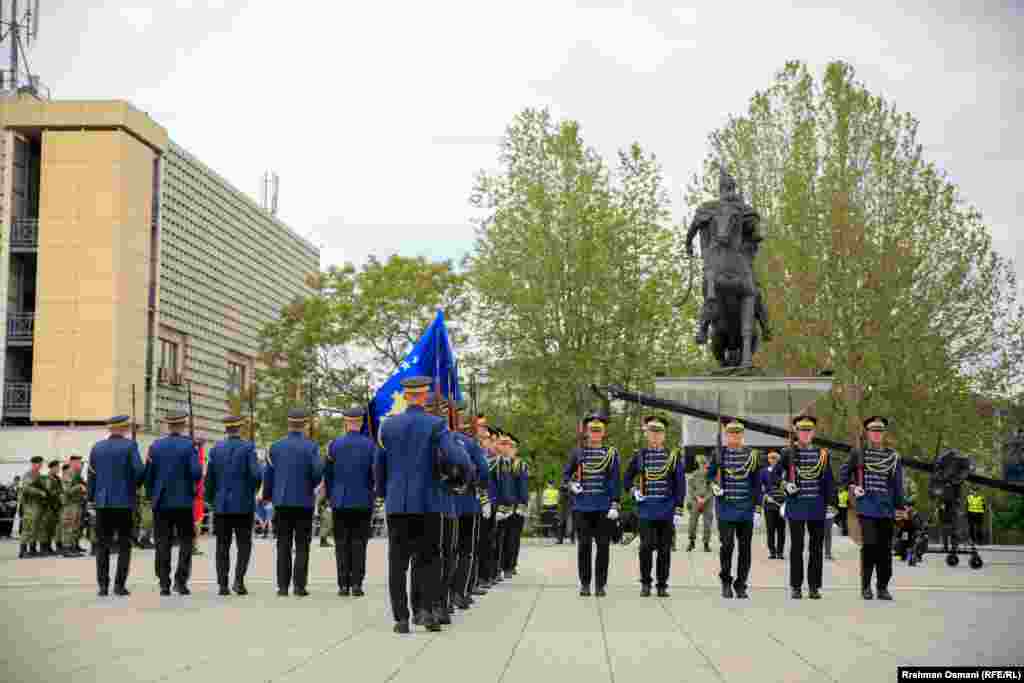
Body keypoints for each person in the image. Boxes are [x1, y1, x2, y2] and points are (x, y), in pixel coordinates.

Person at [375, 376, 470, 634]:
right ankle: (426, 611)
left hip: (397, 504)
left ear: (406, 396)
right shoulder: (436, 425)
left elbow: (379, 465)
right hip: (428, 501)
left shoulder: (387, 426)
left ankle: (401, 618)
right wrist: (463, 475)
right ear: (424, 395)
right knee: (428, 559)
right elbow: (456, 456)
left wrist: (383, 493)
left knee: (397, 562)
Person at [842, 416, 907, 601]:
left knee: (885, 549)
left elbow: (897, 484)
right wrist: (854, 486)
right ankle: (866, 586)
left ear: (883, 433)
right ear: (867, 433)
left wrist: (900, 507)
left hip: (886, 508)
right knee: (869, 546)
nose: (876, 434)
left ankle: (883, 587)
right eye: (873, 430)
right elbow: (844, 475)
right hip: (866, 507)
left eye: (880, 431)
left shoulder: (893, 457)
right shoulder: (858, 454)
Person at [772, 415, 836, 599]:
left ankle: (814, 586)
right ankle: (796, 586)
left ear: (813, 432)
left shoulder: (822, 454)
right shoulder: (787, 453)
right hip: (797, 505)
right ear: (796, 432)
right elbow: (774, 477)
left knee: (816, 548)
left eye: (808, 430)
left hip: (817, 506)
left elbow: (829, 481)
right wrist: (785, 485)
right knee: (797, 547)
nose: (805, 434)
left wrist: (832, 505)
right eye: (802, 430)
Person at [623, 415, 686, 597]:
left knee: (665, 549)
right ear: (647, 435)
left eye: (659, 432)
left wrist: (679, 508)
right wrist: (634, 491)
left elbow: (680, 484)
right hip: (646, 509)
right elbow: (627, 478)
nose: (655, 436)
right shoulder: (640, 456)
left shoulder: (672, 457)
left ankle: (662, 584)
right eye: (652, 432)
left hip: (666, 509)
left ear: (664, 435)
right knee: (646, 547)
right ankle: (645, 583)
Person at [262, 409, 323, 597]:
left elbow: (268, 475)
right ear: (304, 425)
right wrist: (310, 486)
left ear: (288, 424)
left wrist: (268, 496)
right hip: (304, 501)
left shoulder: (275, 447)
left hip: (281, 501)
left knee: (283, 545)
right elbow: (317, 473)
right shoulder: (311, 447)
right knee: (302, 545)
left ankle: (282, 586)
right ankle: (299, 586)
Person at [563, 412, 622, 597]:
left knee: (603, 546)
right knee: (584, 546)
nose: (595, 433)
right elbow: (565, 476)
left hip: (603, 507)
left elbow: (615, 481)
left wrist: (615, 504)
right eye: (592, 430)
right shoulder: (577, 452)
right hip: (582, 507)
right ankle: (585, 583)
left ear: (603, 433)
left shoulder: (611, 454)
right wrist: (572, 485)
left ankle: (600, 584)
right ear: (586, 432)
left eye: (599, 430)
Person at [88, 415, 147, 596]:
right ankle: (119, 585)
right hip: (123, 502)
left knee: (102, 545)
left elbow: (91, 475)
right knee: (124, 546)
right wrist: (134, 487)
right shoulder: (130, 446)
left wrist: (92, 497)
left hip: (103, 503)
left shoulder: (97, 448)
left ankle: (103, 586)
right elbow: (139, 471)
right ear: (123, 428)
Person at [147, 411, 203, 596]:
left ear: (168, 426)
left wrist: (151, 496)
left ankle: (164, 582)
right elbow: (196, 472)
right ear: (183, 426)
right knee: (186, 542)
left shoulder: (156, 446)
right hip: (183, 501)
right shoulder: (189, 446)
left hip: (161, 501)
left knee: (163, 542)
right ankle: (180, 582)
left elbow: (150, 474)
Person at [205, 414, 262, 596]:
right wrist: (251, 491)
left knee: (222, 545)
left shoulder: (215, 449)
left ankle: (222, 585)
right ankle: (238, 581)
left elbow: (210, 478)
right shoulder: (248, 448)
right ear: (240, 428)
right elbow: (256, 475)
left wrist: (211, 499)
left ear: (226, 429)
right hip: (243, 504)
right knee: (243, 545)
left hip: (221, 505)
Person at [324, 406, 377, 597]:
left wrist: (330, 496)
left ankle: (343, 585)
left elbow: (328, 474)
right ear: (361, 422)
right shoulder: (371, 445)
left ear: (346, 422)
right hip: (363, 499)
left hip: (340, 500)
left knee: (341, 543)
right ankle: (357, 584)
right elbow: (375, 474)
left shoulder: (334, 445)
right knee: (359, 543)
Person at [707, 419, 760, 599]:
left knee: (745, 549)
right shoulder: (718, 454)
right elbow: (710, 475)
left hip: (745, 508)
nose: (734, 437)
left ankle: (741, 584)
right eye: (731, 434)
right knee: (727, 545)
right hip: (726, 508)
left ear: (742, 435)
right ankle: (726, 581)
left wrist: (758, 507)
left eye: (737, 434)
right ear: (726, 435)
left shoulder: (752, 455)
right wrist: (714, 485)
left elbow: (756, 483)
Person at [450, 401, 489, 609]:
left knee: (445, 551)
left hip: (444, 505)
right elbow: (484, 472)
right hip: (467, 504)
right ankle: (460, 592)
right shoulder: (470, 443)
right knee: (466, 551)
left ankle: (444, 597)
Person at [18, 456, 45, 558]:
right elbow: (26, 488)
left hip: (37, 505)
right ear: (34, 464)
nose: (41, 465)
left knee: (35, 528)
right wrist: (39, 492)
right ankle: (23, 551)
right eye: (40, 463)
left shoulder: (37, 475)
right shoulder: (28, 475)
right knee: (27, 528)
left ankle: (32, 549)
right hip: (29, 506)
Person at [760, 450, 786, 560]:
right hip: (769, 504)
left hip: (782, 503)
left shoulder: (784, 471)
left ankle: (780, 552)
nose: (773, 460)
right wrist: (765, 496)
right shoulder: (763, 472)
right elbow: (760, 487)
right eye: (771, 458)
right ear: (768, 459)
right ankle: (772, 551)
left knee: (781, 529)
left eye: (775, 458)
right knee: (770, 529)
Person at [686, 455, 715, 553]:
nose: (703, 466)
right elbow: (690, 488)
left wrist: (704, 499)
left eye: (705, 464)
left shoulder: (710, 476)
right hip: (696, 500)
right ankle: (691, 542)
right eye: (701, 464)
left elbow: (712, 489)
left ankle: (706, 543)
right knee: (692, 522)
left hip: (708, 501)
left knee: (707, 523)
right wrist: (697, 498)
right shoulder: (694, 475)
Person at [60, 456, 87, 557]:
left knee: (75, 527)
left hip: (77, 504)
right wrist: (79, 487)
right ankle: (66, 549)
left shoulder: (76, 474)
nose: (80, 465)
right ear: (73, 462)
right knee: (69, 527)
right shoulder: (68, 473)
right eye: (79, 463)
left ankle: (72, 547)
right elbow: (67, 490)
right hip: (70, 505)